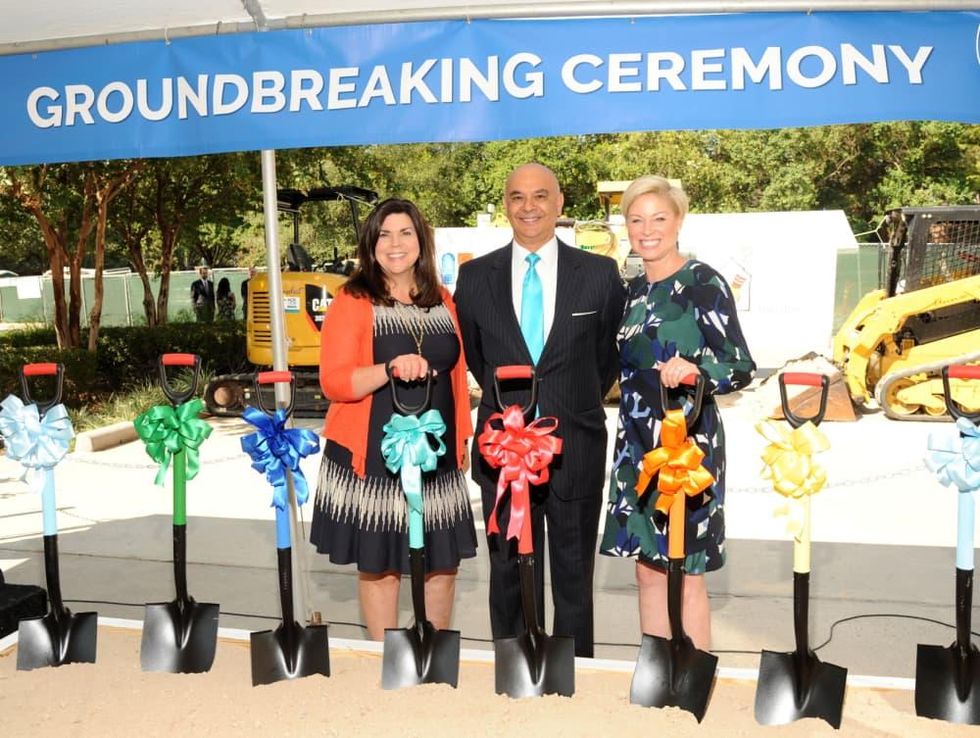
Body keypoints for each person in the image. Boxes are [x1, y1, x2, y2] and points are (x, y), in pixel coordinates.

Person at [454, 162, 627, 658]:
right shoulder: (475, 277)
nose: (528, 207)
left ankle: (574, 671)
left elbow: (606, 359)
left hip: (575, 444)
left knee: (574, 574)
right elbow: (478, 358)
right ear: (505, 206)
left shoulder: (599, 275)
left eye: (540, 196)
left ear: (559, 203)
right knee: (507, 569)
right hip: (502, 450)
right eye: (517, 197)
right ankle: (513, 666)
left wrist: (567, 400)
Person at [599, 175, 756, 649]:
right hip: (636, 444)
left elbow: (740, 366)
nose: (647, 230)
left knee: (686, 568)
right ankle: (659, 669)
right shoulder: (630, 291)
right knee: (647, 567)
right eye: (636, 220)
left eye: (658, 218)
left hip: (687, 445)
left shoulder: (702, 283)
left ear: (679, 221)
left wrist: (695, 370)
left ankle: (693, 671)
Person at [311, 198, 477, 640]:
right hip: (374, 458)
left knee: (442, 565)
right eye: (384, 234)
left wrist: (462, 438)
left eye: (405, 233)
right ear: (371, 244)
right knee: (382, 566)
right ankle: (386, 658)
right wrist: (388, 368)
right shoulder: (353, 299)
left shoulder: (442, 299)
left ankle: (432, 653)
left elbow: (457, 376)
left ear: (421, 241)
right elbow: (334, 381)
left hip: (436, 457)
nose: (395, 243)